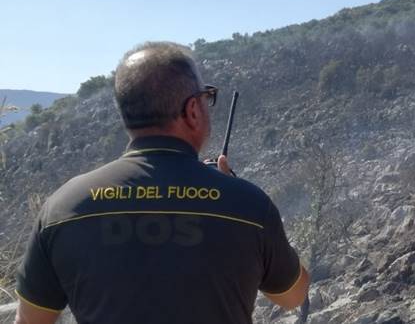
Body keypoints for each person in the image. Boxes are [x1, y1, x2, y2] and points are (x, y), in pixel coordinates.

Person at [14, 41, 309, 324]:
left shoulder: (63, 207)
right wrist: (229, 190)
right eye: (207, 98)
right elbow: (292, 296)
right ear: (193, 110)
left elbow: (30, 320)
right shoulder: (247, 205)